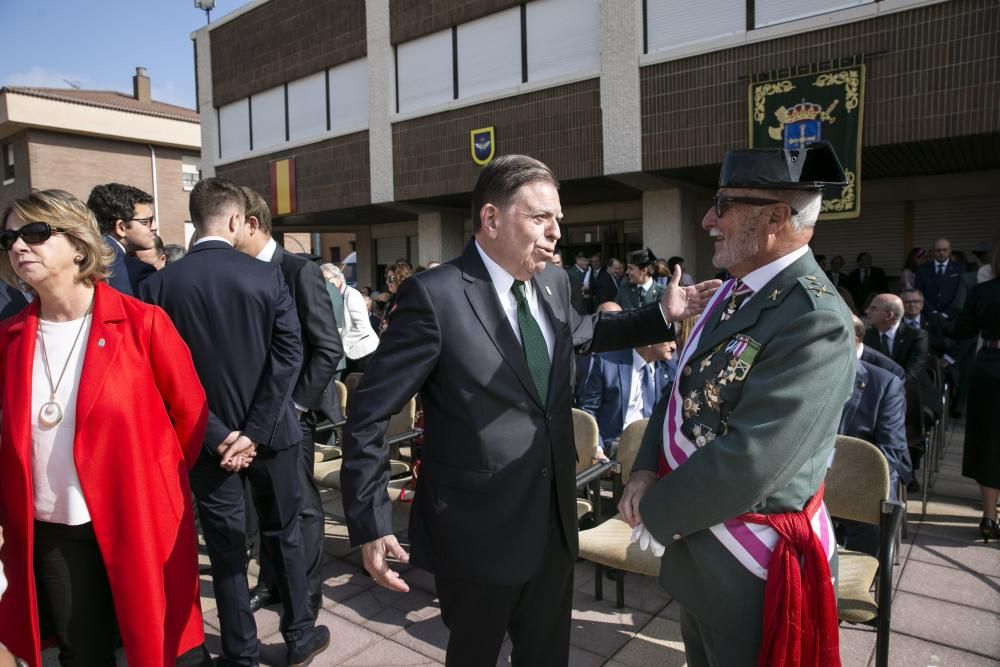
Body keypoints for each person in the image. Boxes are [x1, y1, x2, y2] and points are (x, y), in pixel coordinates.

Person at [340, 154, 719, 666]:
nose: (556, 231)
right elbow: (367, 412)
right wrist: (370, 521)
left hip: (553, 522)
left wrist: (660, 314)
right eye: (541, 217)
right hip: (478, 531)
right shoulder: (435, 297)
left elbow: (583, 333)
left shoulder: (553, 283)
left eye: (557, 219)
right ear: (492, 219)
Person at [620, 141, 854, 665]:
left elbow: (754, 459)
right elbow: (681, 390)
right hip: (702, 549)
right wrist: (643, 471)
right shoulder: (733, 293)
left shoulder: (814, 319)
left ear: (774, 218)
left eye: (723, 204)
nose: (708, 219)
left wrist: (655, 511)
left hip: (751, 569)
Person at [0, 189, 211, 666]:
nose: (18, 246)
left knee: (154, 643)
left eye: (35, 233)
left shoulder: (143, 323)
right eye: (10, 237)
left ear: (78, 245)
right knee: (81, 652)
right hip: (51, 526)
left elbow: (190, 417)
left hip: (135, 515)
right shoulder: (10, 338)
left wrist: (151, 478)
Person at [140, 178, 330, 667]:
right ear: (232, 220)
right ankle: (300, 635)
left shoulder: (157, 286)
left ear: (195, 220)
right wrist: (256, 428)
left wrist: (222, 434)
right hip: (273, 436)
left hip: (206, 443)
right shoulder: (267, 277)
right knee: (284, 533)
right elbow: (290, 355)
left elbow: (159, 378)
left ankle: (242, 653)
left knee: (226, 550)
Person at [237, 188, 343, 618]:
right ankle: (272, 582)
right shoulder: (238, 273)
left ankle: (307, 591)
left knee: (300, 507)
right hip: (252, 415)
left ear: (251, 223)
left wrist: (297, 406)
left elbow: (327, 348)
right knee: (263, 503)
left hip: (292, 415)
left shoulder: (298, 271)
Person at [946, 246, 1000, 541]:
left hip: (991, 367)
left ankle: (989, 516)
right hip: (991, 368)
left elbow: (964, 329)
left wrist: (942, 329)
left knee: (989, 440)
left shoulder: (984, 291)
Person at [579, 340, 677, 456]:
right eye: (668, 340)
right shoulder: (607, 362)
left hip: (650, 449)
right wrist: (597, 449)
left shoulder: (671, 369)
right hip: (612, 448)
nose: (674, 346)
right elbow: (589, 411)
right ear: (649, 340)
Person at [86, 183, 158, 295]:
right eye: (145, 222)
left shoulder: (75, 260)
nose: (154, 227)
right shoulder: (137, 273)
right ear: (121, 227)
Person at [324, 263, 378, 374]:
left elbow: (362, 326)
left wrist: (341, 344)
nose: (325, 284)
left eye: (326, 279)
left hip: (364, 353)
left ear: (338, 278)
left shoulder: (352, 295)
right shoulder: (333, 296)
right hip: (350, 353)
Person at [863, 293, 929, 379]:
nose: (867, 311)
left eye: (874, 308)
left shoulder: (917, 336)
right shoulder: (866, 336)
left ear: (889, 315)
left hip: (910, 389)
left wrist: (891, 389)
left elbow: (912, 372)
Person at [915, 238, 965, 319]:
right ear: (933, 251)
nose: (941, 253)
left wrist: (946, 313)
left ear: (950, 250)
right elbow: (919, 293)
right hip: (929, 316)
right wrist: (933, 312)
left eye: (945, 250)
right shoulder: (922, 270)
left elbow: (960, 294)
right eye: (938, 250)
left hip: (952, 316)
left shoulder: (959, 269)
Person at [380, 259, 411, 333]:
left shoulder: (409, 299)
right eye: (386, 278)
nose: (387, 282)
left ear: (400, 279)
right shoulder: (392, 298)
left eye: (390, 278)